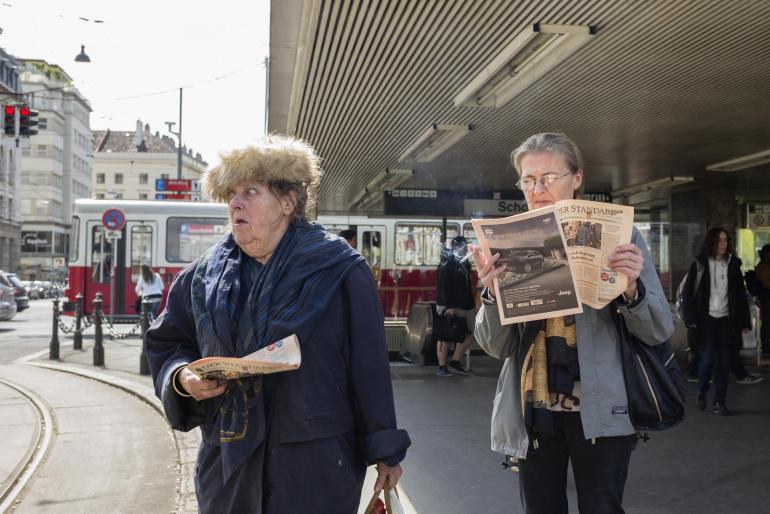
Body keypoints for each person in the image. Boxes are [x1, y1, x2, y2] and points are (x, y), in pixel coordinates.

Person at [145, 135, 410, 514]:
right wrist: (182, 376)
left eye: (250, 192)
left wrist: (386, 452)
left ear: (288, 202)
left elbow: (369, 368)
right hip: (227, 473)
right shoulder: (202, 275)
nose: (236, 202)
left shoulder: (340, 270)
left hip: (315, 470)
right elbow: (167, 344)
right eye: (232, 193)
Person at [471, 132, 675, 514]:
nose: (538, 189)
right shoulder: (511, 240)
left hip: (602, 412)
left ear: (577, 178)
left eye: (549, 177)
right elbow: (495, 347)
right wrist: (492, 294)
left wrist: (631, 291)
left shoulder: (622, 236)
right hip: (534, 410)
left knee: (601, 507)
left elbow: (659, 330)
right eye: (528, 180)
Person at [682, 228, 753, 415]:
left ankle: (719, 402)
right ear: (711, 242)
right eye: (719, 240)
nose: (723, 244)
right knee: (707, 359)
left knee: (725, 361)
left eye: (725, 240)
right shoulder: (700, 264)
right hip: (706, 321)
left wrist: (744, 322)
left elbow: (739, 296)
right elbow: (688, 294)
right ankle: (703, 390)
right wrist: (691, 320)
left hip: (726, 321)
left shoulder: (733, 264)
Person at [435, 235, 475, 376]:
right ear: (456, 247)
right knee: (445, 336)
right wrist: (447, 306)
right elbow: (442, 286)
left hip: (466, 304)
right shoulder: (447, 263)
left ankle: (455, 360)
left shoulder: (465, 264)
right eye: (463, 247)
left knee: (470, 332)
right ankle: (441, 366)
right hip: (450, 305)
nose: (465, 250)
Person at [756, 244, 770, 357]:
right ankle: (766, 347)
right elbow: (766, 282)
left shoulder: (765, 266)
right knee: (767, 323)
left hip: (766, 298)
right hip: (766, 298)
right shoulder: (763, 267)